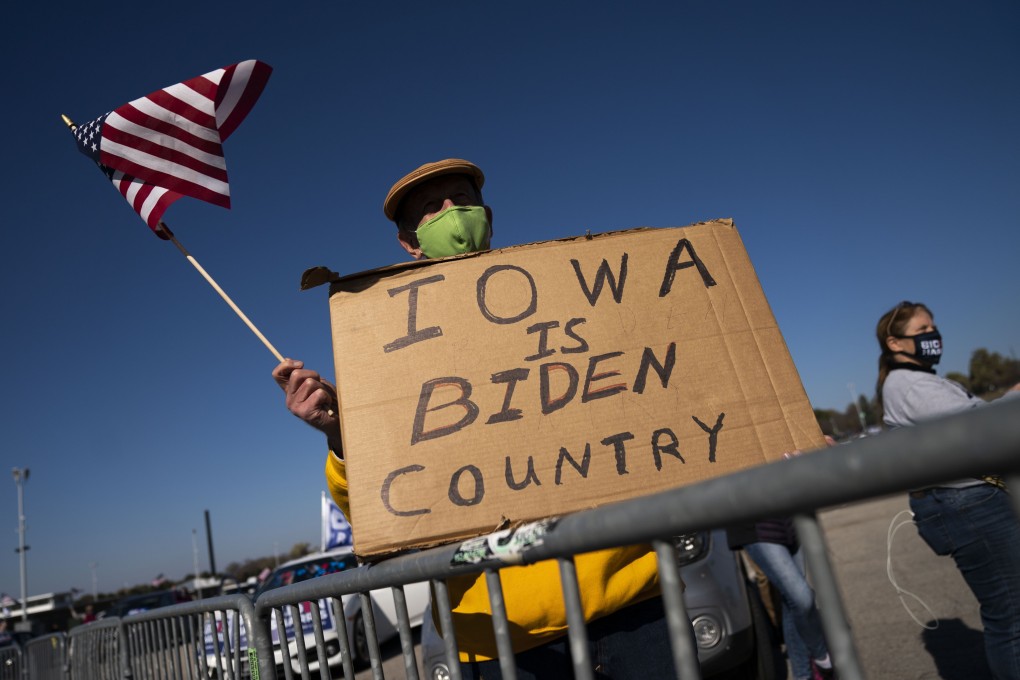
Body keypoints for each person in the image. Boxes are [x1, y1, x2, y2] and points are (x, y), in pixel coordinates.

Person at [273, 159, 686, 679]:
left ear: (486, 214)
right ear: (409, 241)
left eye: (460, 200)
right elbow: (387, 512)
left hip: (635, 606)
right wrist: (339, 432)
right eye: (431, 208)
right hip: (498, 640)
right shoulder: (389, 359)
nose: (452, 213)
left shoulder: (571, 298)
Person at [876, 300, 1020, 679]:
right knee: (1011, 617)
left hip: (971, 501)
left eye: (932, 327)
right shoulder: (906, 384)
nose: (933, 336)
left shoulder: (918, 380)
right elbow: (974, 424)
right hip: (968, 505)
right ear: (895, 343)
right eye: (922, 331)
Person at [727, 519, 835, 680]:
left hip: (790, 520)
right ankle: (823, 658)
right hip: (756, 526)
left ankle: (803, 675)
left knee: (792, 602)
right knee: (802, 598)